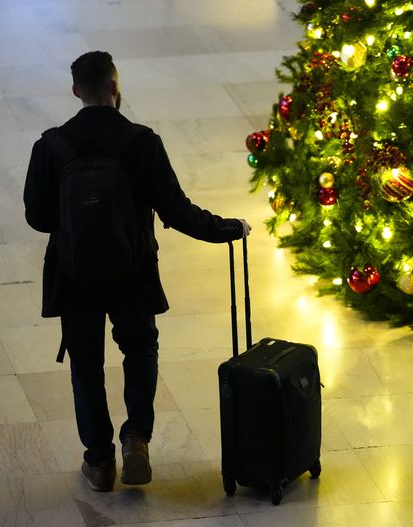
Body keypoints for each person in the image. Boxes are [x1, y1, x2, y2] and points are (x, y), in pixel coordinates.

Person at [24, 51, 251, 492]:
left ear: (75, 91)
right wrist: (229, 229)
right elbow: (177, 211)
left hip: (75, 276)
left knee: (86, 366)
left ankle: (99, 461)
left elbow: (37, 216)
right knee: (140, 350)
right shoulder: (142, 141)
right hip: (132, 271)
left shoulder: (50, 146)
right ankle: (137, 439)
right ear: (115, 86)